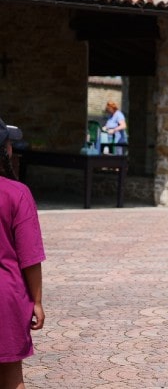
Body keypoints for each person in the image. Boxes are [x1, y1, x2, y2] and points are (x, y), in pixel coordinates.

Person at [0, 118, 46, 387]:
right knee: (10, 376)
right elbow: (30, 257)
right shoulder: (17, 193)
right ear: (5, 151)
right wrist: (37, 301)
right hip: (5, 298)